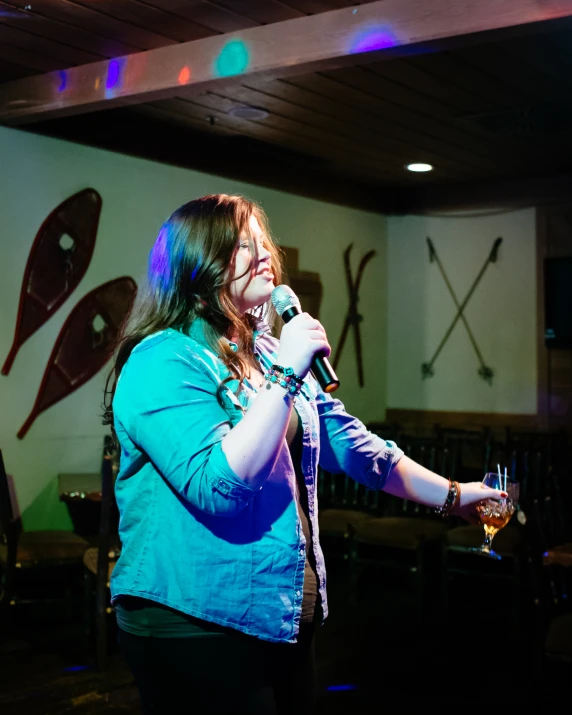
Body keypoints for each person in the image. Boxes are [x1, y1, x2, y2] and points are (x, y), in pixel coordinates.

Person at [102, 193, 506, 715]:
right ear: (197, 266)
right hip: (194, 621)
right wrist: (289, 374)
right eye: (240, 246)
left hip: (282, 614)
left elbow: (359, 449)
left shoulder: (267, 355)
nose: (262, 253)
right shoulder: (163, 360)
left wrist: (454, 496)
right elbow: (220, 484)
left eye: (260, 241)